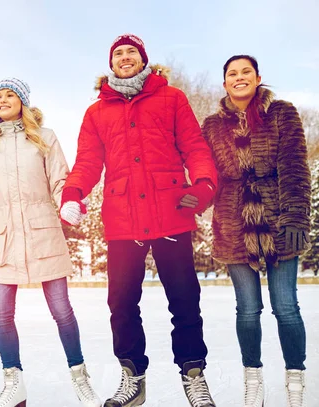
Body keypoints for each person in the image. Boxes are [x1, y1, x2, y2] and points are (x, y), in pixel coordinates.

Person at [60, 34, 218, 407]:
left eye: (132, 51)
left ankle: (193, 375)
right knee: (121, 302)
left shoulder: (172, 98)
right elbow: (87, 162)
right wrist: (73, 193)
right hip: (122, 218)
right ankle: (132, 376)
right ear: (110, 64)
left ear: (143, 59)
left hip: (172, 212)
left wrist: (205, 183)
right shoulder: (96, 112)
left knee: (184, 299)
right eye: (118, 53)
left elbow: (194, 145)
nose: (125, 57)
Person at [0, 78, 101, 407]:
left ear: (22, 101)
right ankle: (13, 382)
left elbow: (61, 180)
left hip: (43, 230)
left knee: (62, 310)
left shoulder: (44, 138)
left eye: (10, 94)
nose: (3, 99)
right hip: (3, 236)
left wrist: (69, 203)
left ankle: (80, 377)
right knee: (1, 315)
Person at [201, 54, 310, 407]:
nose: (239, 77)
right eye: (232, 73)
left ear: (258, 77)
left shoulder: (282, 113)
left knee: (286, 307)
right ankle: (253, 379)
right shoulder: (212, 126)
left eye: (245, 71)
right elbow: (207, 177)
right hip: (233, 223)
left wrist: (296, 217)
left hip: (279, 219)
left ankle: (295, 381)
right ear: (224, 84)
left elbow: (295, 166)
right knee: (247, 309)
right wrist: (190, 202)